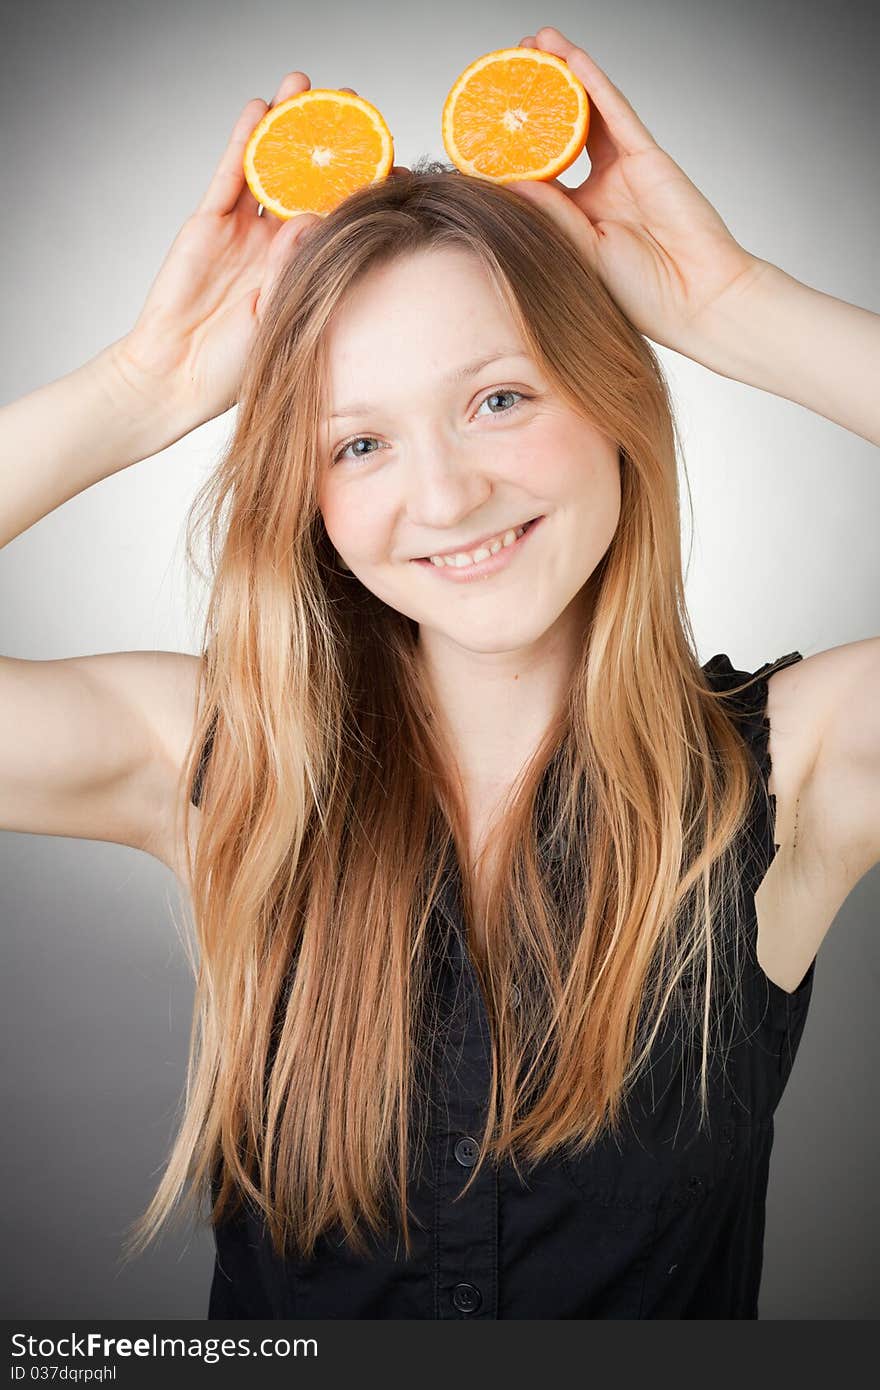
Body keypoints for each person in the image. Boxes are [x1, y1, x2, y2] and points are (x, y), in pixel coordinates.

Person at [1, 26, 878, 1320]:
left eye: (500, 399)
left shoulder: (797, 773)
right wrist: (147, 385)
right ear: (309, 498)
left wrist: (731, 303)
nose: (447, 494)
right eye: (357, 443)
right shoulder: (232, 758)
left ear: (612, 397)